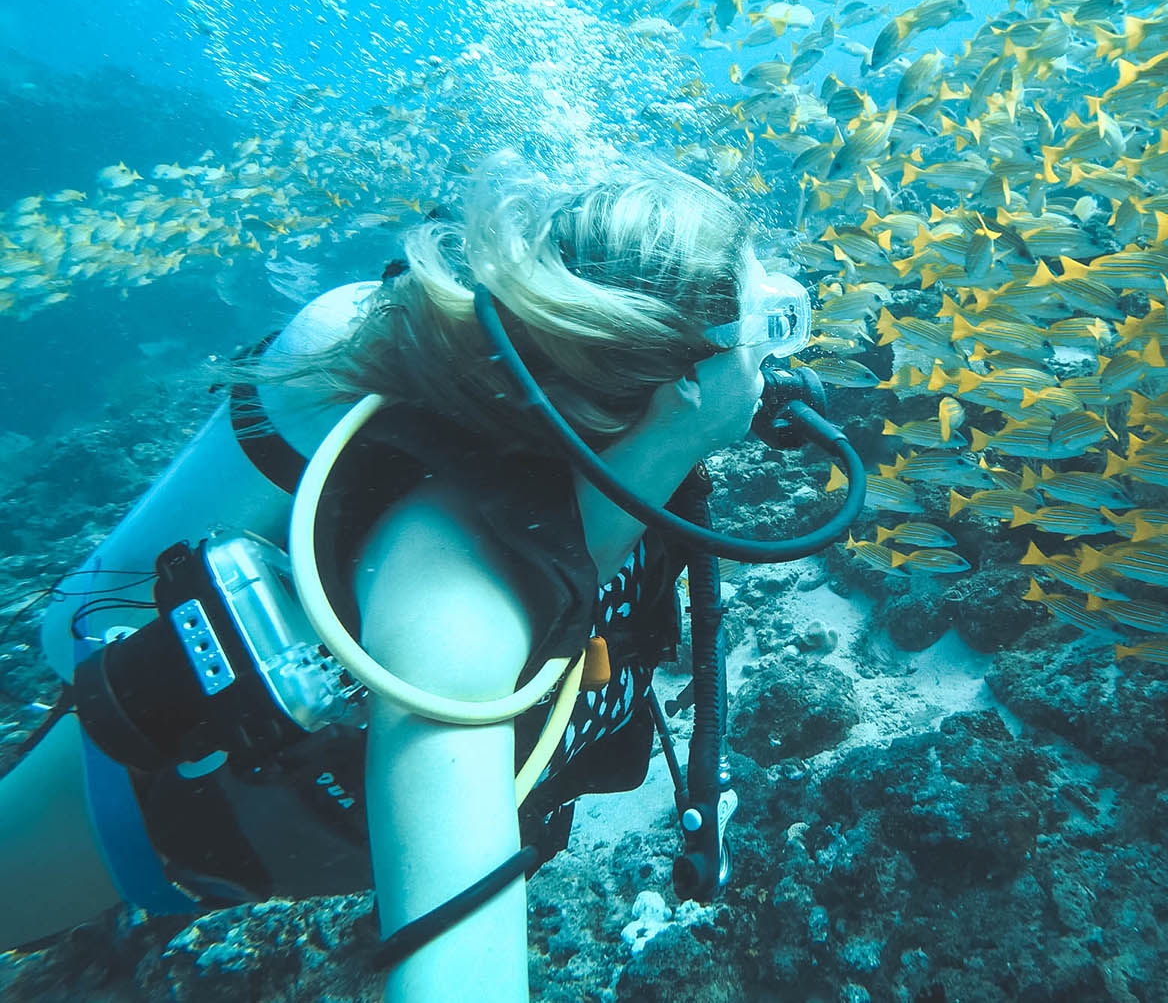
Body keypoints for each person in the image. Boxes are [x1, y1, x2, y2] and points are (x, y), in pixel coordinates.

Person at [0, 164, 801, 1001]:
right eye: (770, 322)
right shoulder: (454, 603)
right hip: (136, 813)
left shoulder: (623, 465)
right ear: (687, 383)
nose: (783, 347)